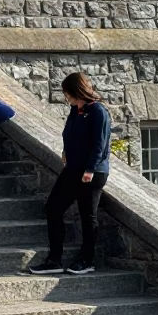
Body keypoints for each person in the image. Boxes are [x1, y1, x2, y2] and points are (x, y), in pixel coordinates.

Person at [28, 72, 111, 276]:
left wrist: (90, 169)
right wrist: (66, 151)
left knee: (87, 215)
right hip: (73, 169)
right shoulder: (76, 111)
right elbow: (70, 134)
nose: (65, 97)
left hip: (91, 172)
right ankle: (54, 259)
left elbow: (99, 144)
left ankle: (86, 260)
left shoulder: (98, 111)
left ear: (76, 90)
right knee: (53, 208)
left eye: (67, 93)